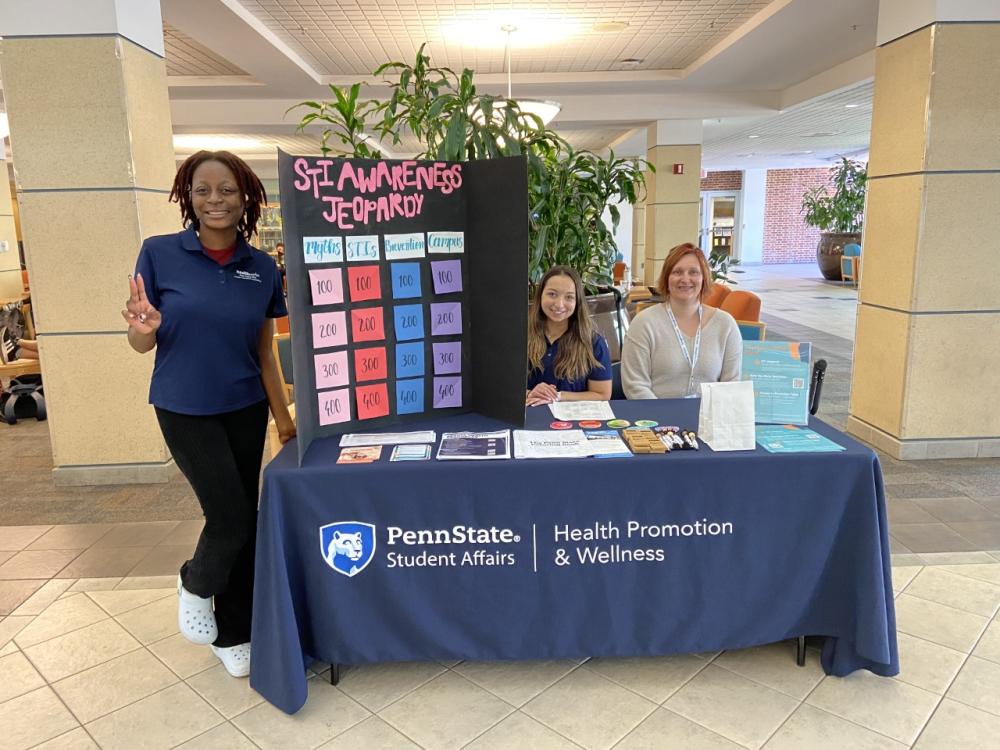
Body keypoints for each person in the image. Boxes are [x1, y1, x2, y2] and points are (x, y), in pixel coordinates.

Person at [123, 150, 295, 678]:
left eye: (226, 190)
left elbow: (265, 352)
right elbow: (138, 342)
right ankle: (195, 580)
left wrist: (283, 418)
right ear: (187, 196)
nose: (215, 200)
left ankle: (236, 630)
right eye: (203, 190)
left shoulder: (262, 267)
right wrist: (144, 328)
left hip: (244, 406)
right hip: (183, 406)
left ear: (245, 197)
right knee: (230, 517)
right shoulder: (158, 254)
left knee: (249, 518)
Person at [621, 243, 742, 399]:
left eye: (693, 272)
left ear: (704, 278)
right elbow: (635, 386)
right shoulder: (644, 323)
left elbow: (731, 386)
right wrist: (666, 420)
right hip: (656, 419)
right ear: (667, 278)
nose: (685, 279)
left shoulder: (726, 325)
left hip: (709, 420)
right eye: (677, 272)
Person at [526, 266, 612, 406]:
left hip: (573, 421)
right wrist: (530, 393)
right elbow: (500, 384)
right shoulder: (519, 336)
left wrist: (557, 396)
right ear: (540, 295)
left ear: (577, 301)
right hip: (526, 418)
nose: (559, 304)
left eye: (569, 297)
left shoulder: (593, 342)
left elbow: (602, 394)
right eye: (552, 294)